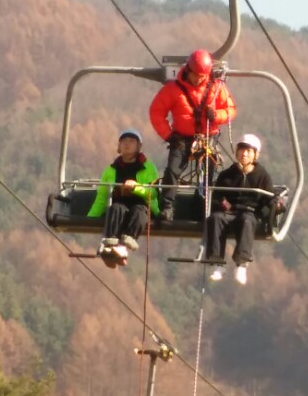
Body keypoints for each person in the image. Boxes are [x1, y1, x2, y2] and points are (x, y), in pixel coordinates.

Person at [148, 49, 236, 221]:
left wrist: (216, 115)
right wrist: (169, 135)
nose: (199, 79)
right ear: (188, 70)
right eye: (196, 75)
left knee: (208, 171)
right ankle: (167, 206)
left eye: (203, 76)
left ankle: (203, 206)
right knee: (173, 170)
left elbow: (230, 110)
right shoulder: (173, 89)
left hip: (207, 137)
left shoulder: (217, 87)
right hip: (181, 137)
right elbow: (156, 112)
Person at [204, 133, 274, 285]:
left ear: (255, 154)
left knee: (247, 221)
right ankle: (217, 263)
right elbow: (216, 196)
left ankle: (241, 263)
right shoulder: (226, 175)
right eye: (242, 150)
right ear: (237, 152)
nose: (244, 154)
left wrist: (264, 213)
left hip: (249, 212)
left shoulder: (262, 176)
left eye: (249, 151)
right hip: (229, 211)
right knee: (216, 218)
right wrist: (222, 203)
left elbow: (269, 200)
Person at [87, 129, 160, 268]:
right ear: (119, 146)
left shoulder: (148, 168)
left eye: (131, 141)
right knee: (115, 208)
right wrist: (91, 218)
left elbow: (154, 192)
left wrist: (136, 187)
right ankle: (111, 243)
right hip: (120, 203)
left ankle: (126, 242)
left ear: (139, 146)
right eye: (124, 141)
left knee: (138, 212)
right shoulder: (111, 170)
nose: (127, 144)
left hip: (141, 204)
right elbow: (102, 196)